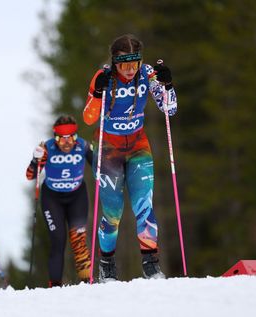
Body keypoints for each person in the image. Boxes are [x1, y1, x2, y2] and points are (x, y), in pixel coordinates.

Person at [83, 34, 177, 282]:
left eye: (133, 65)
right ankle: (107, 266)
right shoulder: (104, 76)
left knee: (144, 205)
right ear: (115, 62)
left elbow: (170, 108)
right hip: (108, 148)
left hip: (137, 145)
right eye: (124, 65)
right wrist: (96, 91)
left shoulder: (147, 73)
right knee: (113, 212)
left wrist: (167, 85)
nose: (129, 70)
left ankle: (151, 266)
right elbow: (88, 118)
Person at [26, 115, 93, 287]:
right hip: (52, 199)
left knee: (78, 240)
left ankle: (87, 283)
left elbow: (100, 167)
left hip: (77, 196)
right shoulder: (46, 148)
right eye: (61, 138)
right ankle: (55, 286)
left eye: (71, 137)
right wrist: (35, 160)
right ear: (55, 137)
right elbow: (30, 175)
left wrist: (99, 160)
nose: (66, 143)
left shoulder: (83, 146)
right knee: (58, 240)